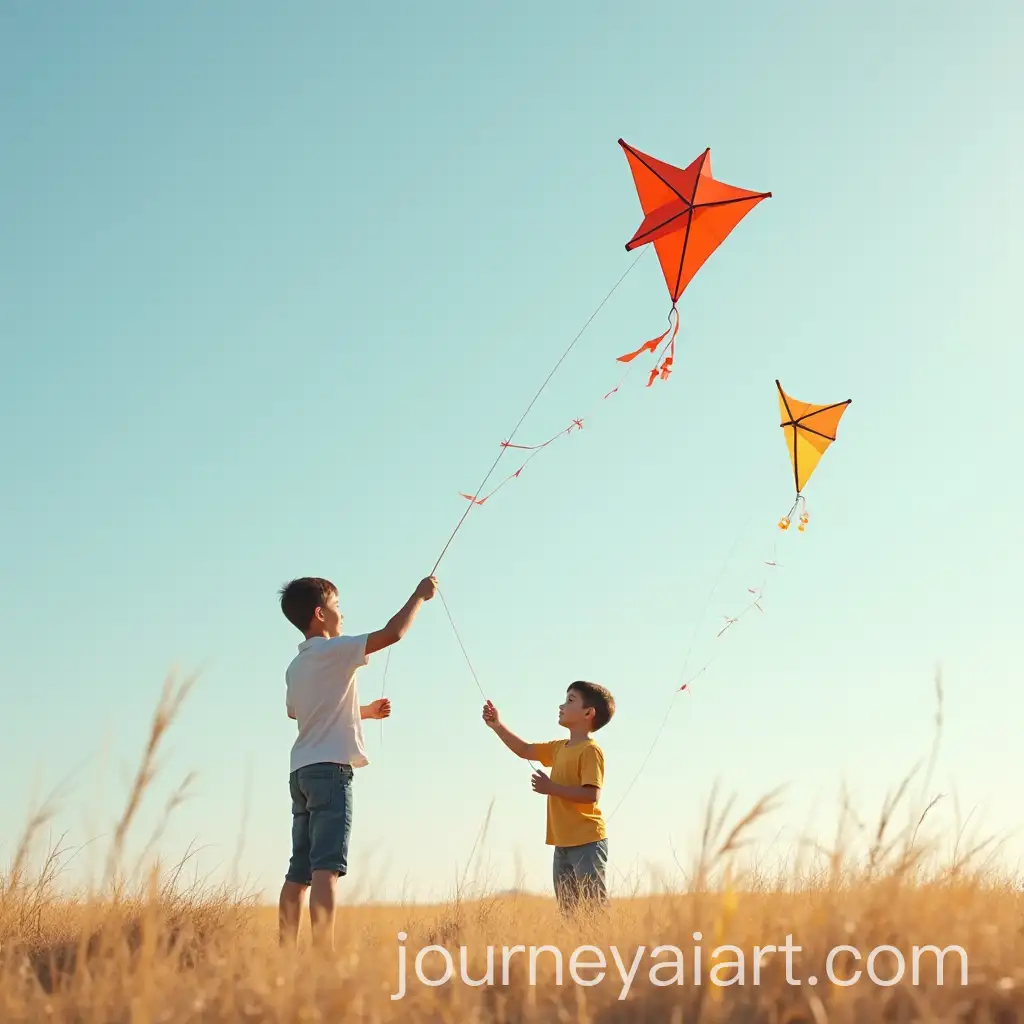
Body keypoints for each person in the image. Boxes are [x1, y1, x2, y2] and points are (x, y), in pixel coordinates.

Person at [277, 574, 437, 950]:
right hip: (331, 771)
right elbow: (393, 633)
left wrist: (363, 711)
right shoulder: (336, 650)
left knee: (299, 871)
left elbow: (298, 712)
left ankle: (284, 955)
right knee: (325, 868)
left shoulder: (296, 666)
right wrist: (419, 596)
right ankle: (323, 956)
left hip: (301, 772)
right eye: (337, 606)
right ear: (320, 614)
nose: (342, 613)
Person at [482, 681, 615, 913]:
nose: (562, 705)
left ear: (588, 713)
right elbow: (525, 750)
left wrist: (551, 788)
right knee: (569, 911)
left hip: (587, 842)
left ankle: (607, 938)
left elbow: (591, 794)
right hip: (562, 843)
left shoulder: (590, 750)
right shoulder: (559, 748)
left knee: (594, 908)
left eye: (570, 700)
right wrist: (497, 726)